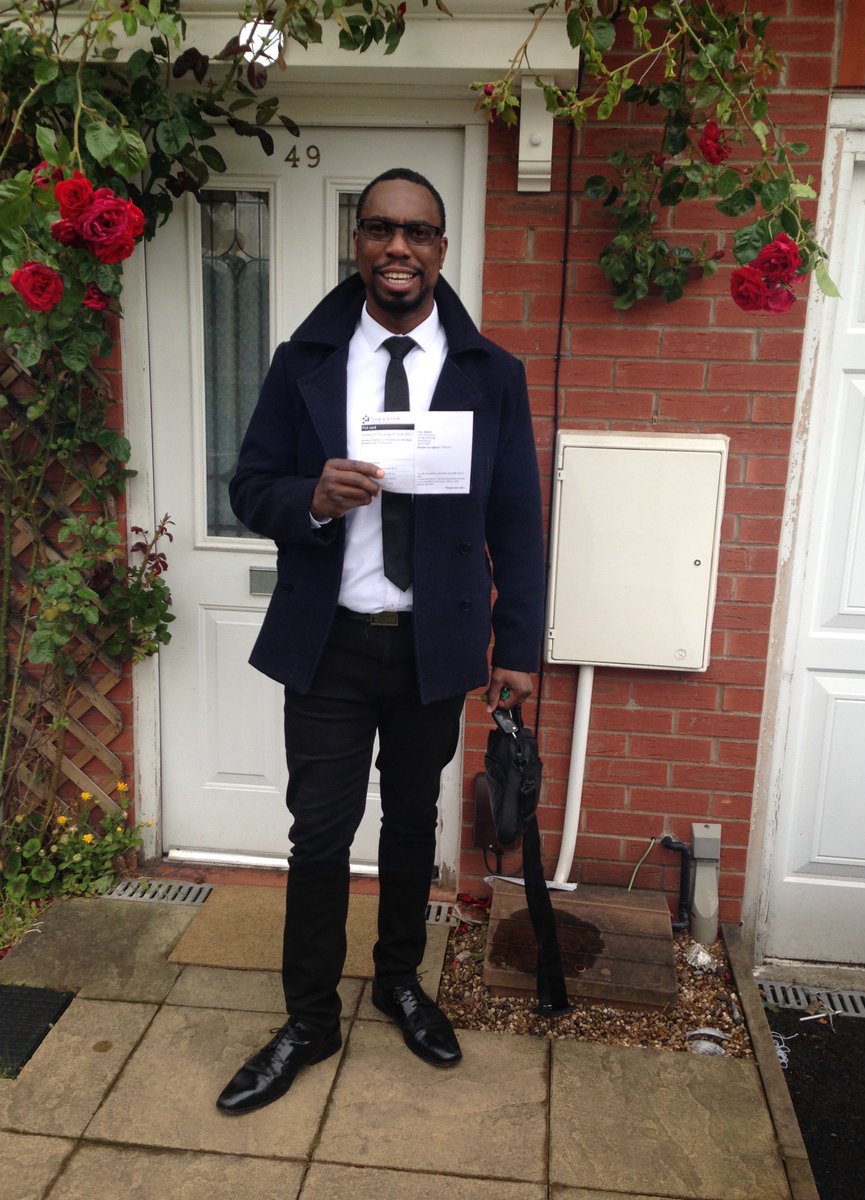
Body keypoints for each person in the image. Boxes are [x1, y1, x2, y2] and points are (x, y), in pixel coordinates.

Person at [216, 167, 545, 1115]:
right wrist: (311, 499)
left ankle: (400, 981)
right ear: (358, 243)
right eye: (380, 229)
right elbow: (250, 487)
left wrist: (518, 649)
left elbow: (517, 522)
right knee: (319, 833)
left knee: (411, 822)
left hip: (434, 646)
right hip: (328, 642)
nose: (398, 247)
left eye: (418, 232)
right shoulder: (305, 361)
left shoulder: (492, 375)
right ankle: (309, 1018)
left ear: (441, 248)